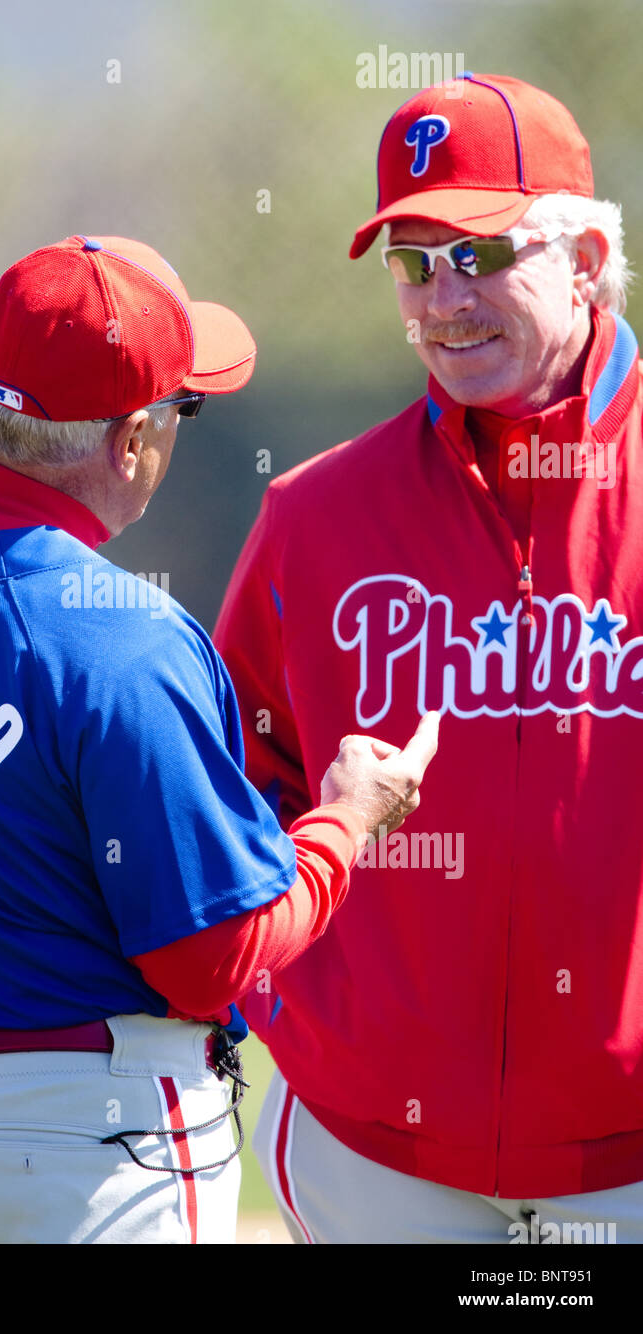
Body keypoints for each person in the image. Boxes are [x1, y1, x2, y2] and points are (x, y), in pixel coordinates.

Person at [0, 233, 437, 1245]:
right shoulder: (119, 633)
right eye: (181, 409)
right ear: (134, 438)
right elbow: (212, 954)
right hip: (93, 1145)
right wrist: (344, 822)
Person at [215, 74, 643, 1244]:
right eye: (411, 260)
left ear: (587, 256)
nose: (441, 298)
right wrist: (281, 1002)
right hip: (375, 1154)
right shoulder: (314, 515)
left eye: (479, 251)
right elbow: (226, 786)